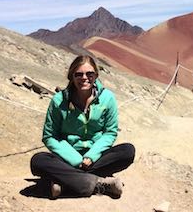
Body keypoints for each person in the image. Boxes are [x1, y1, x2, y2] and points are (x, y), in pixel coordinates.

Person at [30, 55, 135, 199]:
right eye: (78, 74)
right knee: (38, 161)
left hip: (96, 157)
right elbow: (49, 136)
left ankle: (67, 183)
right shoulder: (59, 101)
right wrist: (76, 160)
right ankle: (100, 183)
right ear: (71, 76)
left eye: (89, 74)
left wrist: (91, 156)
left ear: (96, 76)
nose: (84, 78)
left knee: (127, 151)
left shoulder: (107, 98)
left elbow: (110, 132)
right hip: (67, 157)